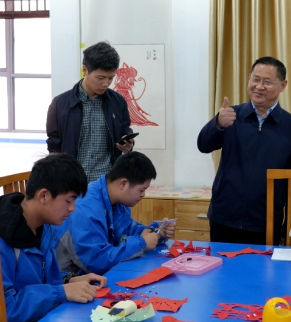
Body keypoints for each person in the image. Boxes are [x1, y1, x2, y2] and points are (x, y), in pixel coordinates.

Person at [198, 56, 291, 245]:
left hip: (266, 224)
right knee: (221, 264)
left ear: (283, 85)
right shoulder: (231, 116)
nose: (259, 86)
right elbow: (203, 145)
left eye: (267, 82)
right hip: (224, 218)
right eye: (255, 79)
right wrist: (217, 124)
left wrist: (289, 229)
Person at [0, 153, 107, 322]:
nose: (72, 209)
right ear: (44, 196)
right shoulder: (4, 240)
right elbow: (6, 309)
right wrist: (61, 292)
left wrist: (69, 280)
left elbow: (41, 278)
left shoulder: (44, 226)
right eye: (69, 201)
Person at [55, 151, 176, 276]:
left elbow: (128, 230)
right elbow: (96, 261)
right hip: (72, 279)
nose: (143, 195)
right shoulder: (87, 209)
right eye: (141, 190)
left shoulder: (117, 202)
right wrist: (141, 243)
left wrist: (157, 231)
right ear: (123, 183)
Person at [46, 41, 135, 182]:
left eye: (111, 78)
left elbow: (125, 130)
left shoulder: (118, 102)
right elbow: (53, 146)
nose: (106, 84)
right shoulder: (60, 104)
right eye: (100, 78)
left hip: (107, 182)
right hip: (72, 182)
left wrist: (128, 146)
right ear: (85, 70)